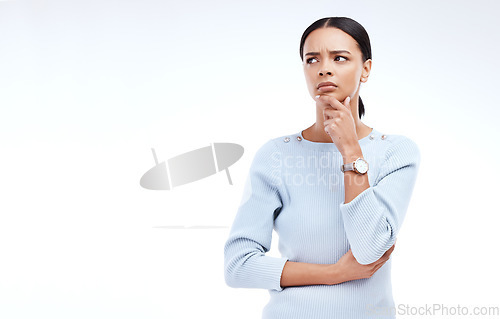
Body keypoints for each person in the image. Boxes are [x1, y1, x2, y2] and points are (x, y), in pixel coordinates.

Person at [223, 16, 421, 319]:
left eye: (339, 58)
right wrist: (335, 273)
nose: (324, 68)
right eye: (312, 59)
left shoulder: (395, 152)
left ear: (365, 69)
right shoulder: (276, 155)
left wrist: (350, 150)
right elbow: (238, 266)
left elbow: (370, 250)